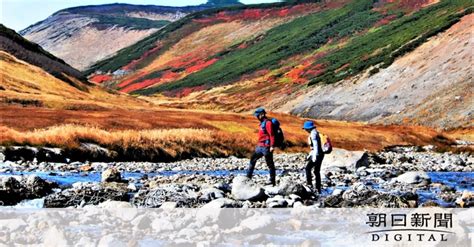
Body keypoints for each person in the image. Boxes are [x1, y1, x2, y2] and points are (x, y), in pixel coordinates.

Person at [246, 107, 276, 186]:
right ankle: (248, 177)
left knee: (270, 164)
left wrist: (272, 146)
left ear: (262, 115)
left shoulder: (268, 123)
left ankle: (272, 181)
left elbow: (272, 135)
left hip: (266, 147)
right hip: (260, 146)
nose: (256, 117)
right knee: (252, 159)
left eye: (257, 115)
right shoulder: (262, 122)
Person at [303, 120, 325, 193]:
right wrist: (310, 154)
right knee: (316, 171)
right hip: (321, 154)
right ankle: (318, 189)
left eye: (305, 128)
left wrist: (314, 156)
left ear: (309, 128)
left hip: (317, 155)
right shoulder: (316, 132)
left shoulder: (313, 134)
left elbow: (315, 146)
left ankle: (309, 185)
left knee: (307, 168)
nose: (305, 130)